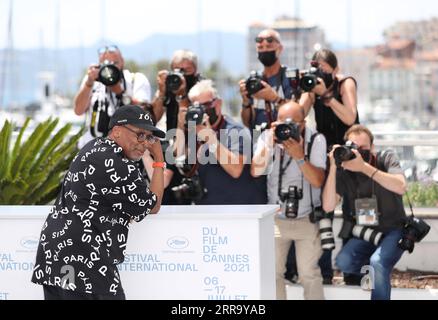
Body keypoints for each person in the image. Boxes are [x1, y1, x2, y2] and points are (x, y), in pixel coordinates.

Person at [31, 105, 165, 300]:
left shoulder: (92, 147)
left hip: (54, 255)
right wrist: (159, 160)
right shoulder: (119, 165)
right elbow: (152, 206)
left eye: (150, 137)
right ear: (117, 131)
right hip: (85, 261)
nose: (145, 143)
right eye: (140, 135)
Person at [251, 102, 327, 300]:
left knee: (308, 274)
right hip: (276, 218)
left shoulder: (316, 140)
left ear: (303, 123)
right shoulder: (269, 138)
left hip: (306, 218)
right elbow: (255, 171)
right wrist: (269, 143)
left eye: (293, 124)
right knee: (272, 272)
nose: (287, 128)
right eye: (282, 123)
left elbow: (318, 181)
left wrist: (300, 157)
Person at [322, 124, 407, 300]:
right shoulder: (344, 171)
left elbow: (401, 187)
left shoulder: (385, 158)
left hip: (394, 229)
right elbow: (328, 206)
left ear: (373, 147)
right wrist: (333, 166)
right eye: (354, 148)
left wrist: (363, 167)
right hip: (367, 232)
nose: (359, 153)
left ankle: (377, 270)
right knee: (343, 261)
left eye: (364, 148)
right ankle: (374, 273)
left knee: (378, 263)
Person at [299, 48, 360, 284]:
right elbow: (300, 113)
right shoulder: (313, 86)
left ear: (334, 69)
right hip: (325, 157)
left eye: (323, 68)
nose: (319, 72)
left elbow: (350, 117)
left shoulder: (345, 83)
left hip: (349, 153)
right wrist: (305, 90)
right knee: (322, 214)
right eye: (316, 67)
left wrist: (327, 95)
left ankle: (353, 273)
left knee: (353, 213)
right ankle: (323, 272)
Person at [182, 79, 267, 205]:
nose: (201, 112)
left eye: (205, 106)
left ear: (218, 104)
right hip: (208, 210)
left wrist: (210, 139)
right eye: (196, 108)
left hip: (238, 211)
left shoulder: (236, 130)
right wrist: (181, 127)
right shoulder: (194, 132)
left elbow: (236, 170)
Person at [74, 45, 152, 148]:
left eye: (114, 63)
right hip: (93, 149)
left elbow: (145, 114)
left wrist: (120, 92)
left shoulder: (135, 80)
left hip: (127, 151)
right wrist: (89, 83)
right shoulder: (92, 82)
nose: (109, 71)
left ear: (122, 62)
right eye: (105, 65)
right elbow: (78, 110)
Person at [239, 29, 294, 134]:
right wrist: (245, 102)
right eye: (260, 48)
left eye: (269, 47)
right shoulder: (253, 79)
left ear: (280, 49)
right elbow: (247, 122)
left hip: (283, 139)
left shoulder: (290, 77)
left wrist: (275, 98)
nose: (264, 51)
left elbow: (296, 114)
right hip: (257, 139)